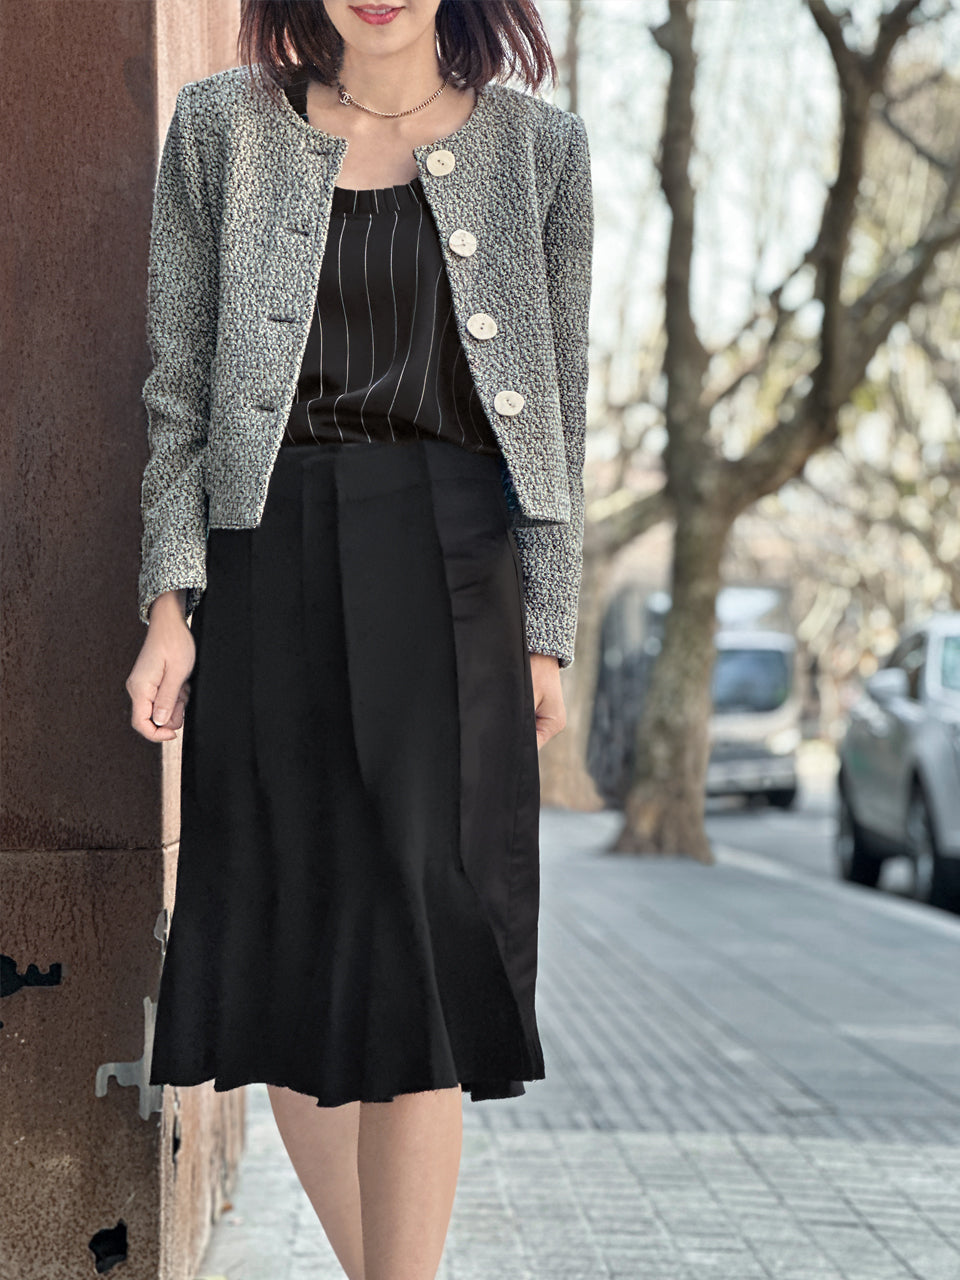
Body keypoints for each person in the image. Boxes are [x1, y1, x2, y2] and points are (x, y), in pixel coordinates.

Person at [124, 1, 593, 1276]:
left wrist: (547, 624)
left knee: (425, 952)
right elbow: (176, 385)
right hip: (266, 557)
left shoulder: (540, 150)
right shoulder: (220, 128)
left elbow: (559, 403)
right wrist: (170, 604)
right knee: (292, 964)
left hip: (452, 566)